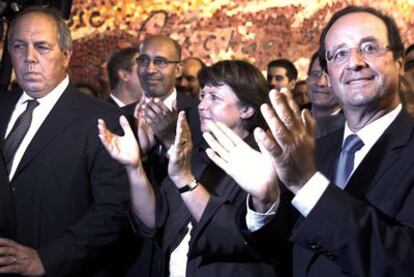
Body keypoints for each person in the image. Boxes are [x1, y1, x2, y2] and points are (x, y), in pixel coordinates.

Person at [199, 6, 414, 276]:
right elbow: (278, 253)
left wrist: (307, 184)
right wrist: (266, 202)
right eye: (339, 54)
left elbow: (403, 261)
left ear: (399, 62)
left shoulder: (304, 166)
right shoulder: (317, 149)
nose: (354, 62)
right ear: (329, 74)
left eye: (369, 47)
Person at [98, 60, 278, 276]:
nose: (201, 105)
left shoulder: (264, 163)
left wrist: (185, 180)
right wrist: (134, 165)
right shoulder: (197, 156)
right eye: (202, 96)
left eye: (214, 97)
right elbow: (153, 221)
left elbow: (236, 236)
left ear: (247, 109)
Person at [0, 6, 130, 276]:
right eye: (19, 46)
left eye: (42, 47)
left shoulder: (103, 120)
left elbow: (113, 211)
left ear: (66, 55)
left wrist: (48, 260)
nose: (29, 58)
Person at [306, 52, 345, 137]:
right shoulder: (293, 116)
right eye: (315, 74)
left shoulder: (351, 125)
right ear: (307, 79)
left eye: (330, 76)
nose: (321, 83)